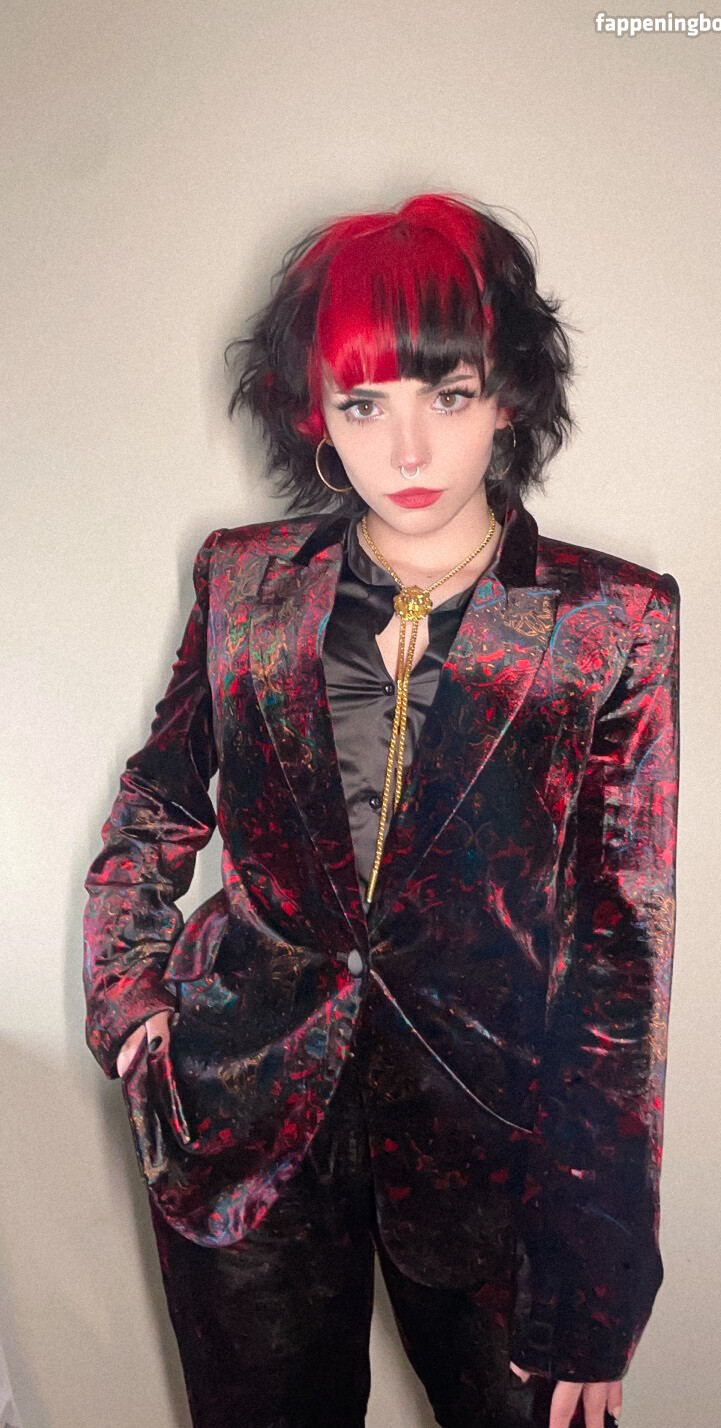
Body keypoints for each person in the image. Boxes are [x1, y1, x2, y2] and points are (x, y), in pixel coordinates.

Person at [82, 192, 680, 1428]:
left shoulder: (611, 622)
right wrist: (130, 998)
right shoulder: (243, 579)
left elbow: (621, 953)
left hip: (498, 1148)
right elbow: (155, 798)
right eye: (364, 405)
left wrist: (597, 1268)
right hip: (243, 1125)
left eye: (446, 396)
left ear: (506, 396)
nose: (407, 451)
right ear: (317, 415)